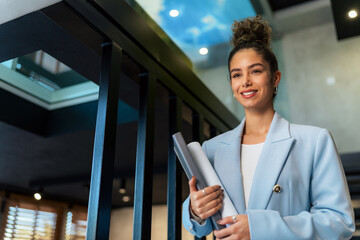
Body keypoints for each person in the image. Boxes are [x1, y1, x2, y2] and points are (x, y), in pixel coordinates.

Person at [182, 16, 355, 240]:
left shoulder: (314, 141)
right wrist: (195, 211)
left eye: (255, 71)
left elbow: (339, 222)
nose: (245, 81)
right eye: (236, 75)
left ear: (275, 78)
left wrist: (259, 228)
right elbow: (200, 226)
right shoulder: (211, 149)